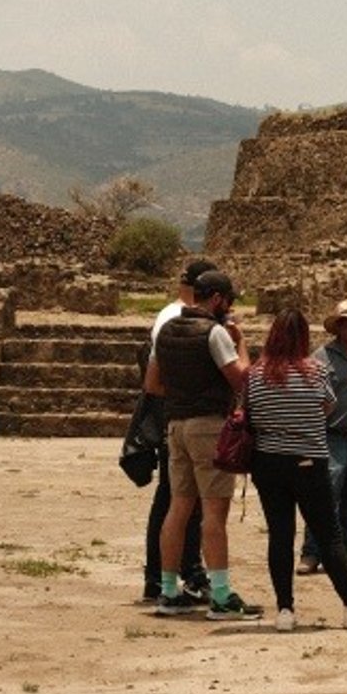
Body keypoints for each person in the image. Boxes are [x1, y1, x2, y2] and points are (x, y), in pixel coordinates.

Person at [246, 308, 347, 632]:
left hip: (268, 461)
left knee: (280, 535)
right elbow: (327, 407)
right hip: (308, 460)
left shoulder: (256, 374)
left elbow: (251, 413)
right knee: (329, 535)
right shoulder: (315, 371)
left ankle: (285, 610)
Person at [145, 270, 261, 620]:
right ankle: (222, 596)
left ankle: (167, 592)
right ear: (217, 299)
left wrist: (184, 394)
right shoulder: (215, 333)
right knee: (214, 513)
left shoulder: (165, 331)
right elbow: (242, 380)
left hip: (175, 425)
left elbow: (152, 384)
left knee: (178, 508)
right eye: (230, 300)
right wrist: (240, 342)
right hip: (208, 426)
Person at [137, 260, 213, 606]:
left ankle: (181, 574)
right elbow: (156, 379)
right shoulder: (175, 320)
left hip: (177, 417)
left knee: (180, 502)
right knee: (175, 500)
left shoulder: (172, 315)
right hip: (183, 420)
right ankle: (166, 576)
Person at [295, 298, 347, 577]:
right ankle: (311, 553)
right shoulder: (322, 356)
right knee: (324, 497)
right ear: (340, 327)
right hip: (332, 436)